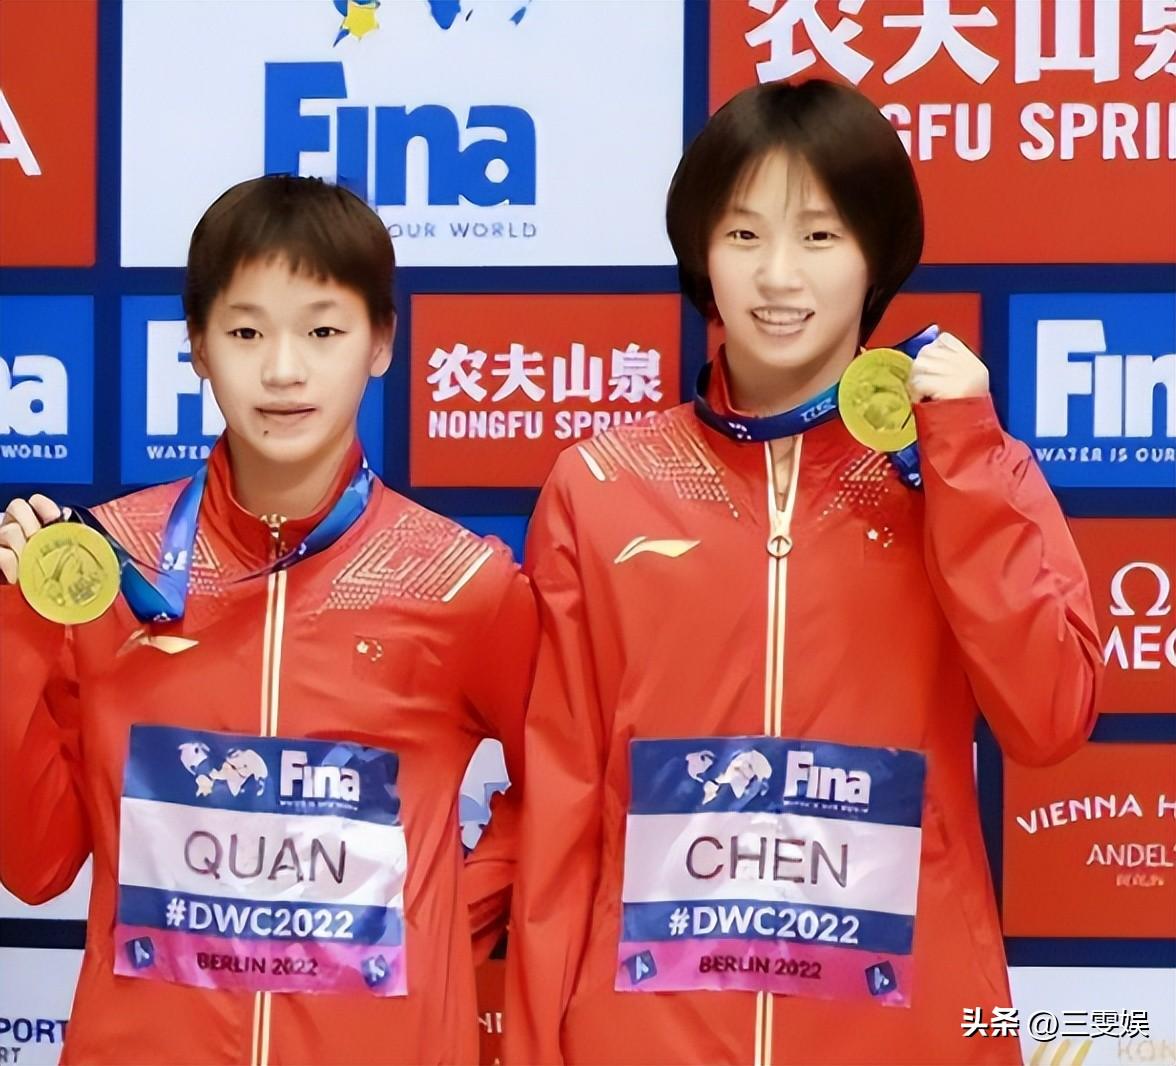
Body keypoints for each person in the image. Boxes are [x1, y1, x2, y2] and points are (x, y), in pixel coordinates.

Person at [504, 78, 1101, 1066]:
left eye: (820, 236)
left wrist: (963, 463)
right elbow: (561, 806)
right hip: (649, 1036)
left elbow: (1050, 717)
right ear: (701, 252)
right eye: (743, 235)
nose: (778, 275)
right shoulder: (601, 485)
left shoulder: (965, 466)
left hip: (905, 1037)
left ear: (877, 257)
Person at [0, 175, 536, 1065]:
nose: (283, 370)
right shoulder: (108, 567)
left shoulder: (460, 583)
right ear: (198, 348)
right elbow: (35, 865)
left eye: (323, 332)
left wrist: (444, 913)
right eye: (246, 332)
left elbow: (568, 785)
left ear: (381, 342)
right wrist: (17, 635)